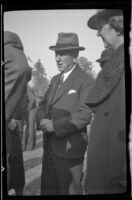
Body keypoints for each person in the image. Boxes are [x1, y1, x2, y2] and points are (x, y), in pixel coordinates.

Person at [37, 32, 95, 195]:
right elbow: (42, 104)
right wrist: (41, 119)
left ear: (75, 57)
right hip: (49, 150)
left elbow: (84, 114)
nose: (57, 58)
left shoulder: (86, 80)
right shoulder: (55, 79)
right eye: (56, 53)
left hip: (70, 154)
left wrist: (54, 126)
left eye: (62, 54)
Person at [83, 9, 127, 195]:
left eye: (101, 27)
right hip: (104, 175)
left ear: (118, 24)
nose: (98, 33)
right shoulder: (117, 62)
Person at [4, 31, 31, 193]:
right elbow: (20, 67)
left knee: (15, 168)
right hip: (9, 129)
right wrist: (6, 118)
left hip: (13, 132)